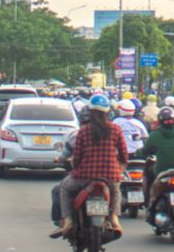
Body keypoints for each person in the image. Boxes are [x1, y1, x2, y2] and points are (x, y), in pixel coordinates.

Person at [54, 94, 128, 238]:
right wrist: (120, 167)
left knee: (64, 188)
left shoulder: (83, 131)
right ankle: (114, 218)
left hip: (85, 176)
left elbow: (78, 156)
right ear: (107, 111)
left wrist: (76, 168)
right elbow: (124, 154)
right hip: (110, 176)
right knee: (116, 191)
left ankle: (68, 221)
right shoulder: (116, 129)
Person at [137, 106, 174, 220]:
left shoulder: (155, 134)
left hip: (161, 170)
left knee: (148, 173)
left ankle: (149, 202)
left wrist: (138, 152)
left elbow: (145, 150)